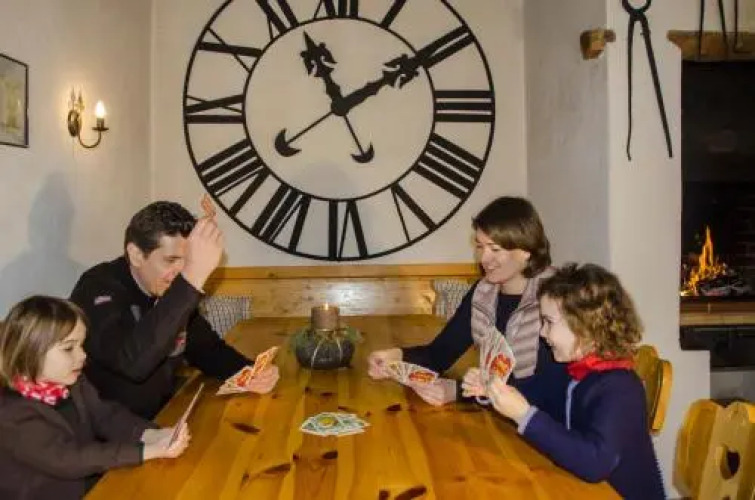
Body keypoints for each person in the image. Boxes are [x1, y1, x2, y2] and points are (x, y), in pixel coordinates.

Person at [463, 263, 665, 499]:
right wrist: (490, 389)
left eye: (548, 322)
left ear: (585, 325)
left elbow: (595, 463)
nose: (542, 332)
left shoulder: (621, 388)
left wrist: (525, 415)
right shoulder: (567, 370)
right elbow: (528, 393)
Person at [70, 201, 279, 419]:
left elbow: (207, 350)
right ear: (136, 255)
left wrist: (250, 371)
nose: (179, 273)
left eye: (187, 262)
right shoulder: (97, 288)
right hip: (107, 432)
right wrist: (191, 279)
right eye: (170, 260)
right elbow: (133, 364)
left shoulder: (171, 290)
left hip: (163, 418)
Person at [367, 196, 563, 406]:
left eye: (495, 249)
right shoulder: (483, 292)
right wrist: (395, 357)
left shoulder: (557, 297)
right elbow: (440, 354)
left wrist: (459, 391)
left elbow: (547, 387)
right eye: (480, 247)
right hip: (497, 413)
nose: (483, 259)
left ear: (526, 251)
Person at [0, 296, 190, 500]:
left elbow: (107, 417)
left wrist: (151, 434)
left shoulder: (72, 381)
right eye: (68, 348)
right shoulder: (12, 413)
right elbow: (70, 459)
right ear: (30, 352)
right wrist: (145, 451)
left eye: (81, 345)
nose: (82, 355)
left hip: (88, 485)